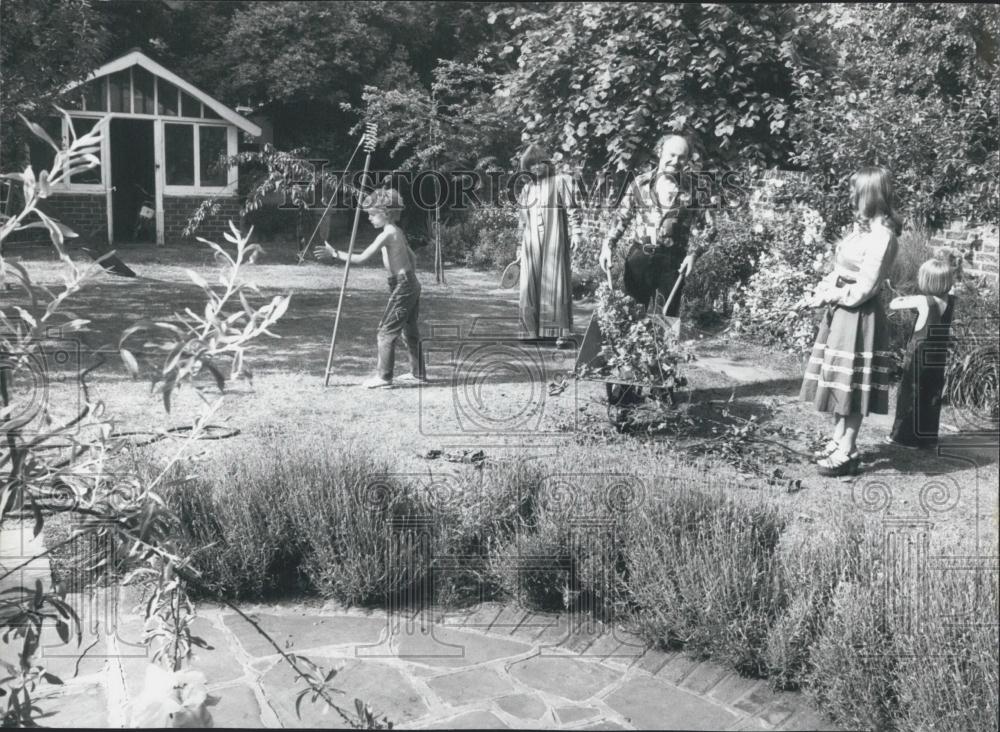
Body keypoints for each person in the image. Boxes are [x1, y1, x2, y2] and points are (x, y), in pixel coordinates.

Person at [597, 134, 715, 421]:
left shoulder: (695, 189)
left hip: (671, 266)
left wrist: (693, 255)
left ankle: (661, 387)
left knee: (665, 325)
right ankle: (626, 390)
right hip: (639, 259)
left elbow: (710, 228)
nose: (675, 162)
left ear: (688, 160)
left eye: (682, 157)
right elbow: (621, 219)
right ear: (660, 152)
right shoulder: (640, 184)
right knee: (630, 322)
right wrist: (607, 246)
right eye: (671, 155)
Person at [801, 166, 902, 477]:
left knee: (853, 384)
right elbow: (841, 269)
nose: (849, 196)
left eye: (854, 191)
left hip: (860, 317)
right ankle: (837, 440)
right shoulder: (863, 231)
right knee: (838, 379)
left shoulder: (882, 236)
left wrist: (830, 296)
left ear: (869, 194)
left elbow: (865, 288)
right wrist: (819, 291)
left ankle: (849, 449)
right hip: (841, 315)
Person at [315, 187, 425, 388]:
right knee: (409, 330)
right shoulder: (397, 231)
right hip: (409, 283)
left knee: (385, 330)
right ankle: (418, 373)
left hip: (403, 285)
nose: (370, 218)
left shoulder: (387, 234)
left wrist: (334, 254)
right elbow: (413, 257)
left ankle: (384, 378)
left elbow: (361, 258)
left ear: (386, 213)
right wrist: (410, 279)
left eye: (373, 214)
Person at [516, 143, 583, 347]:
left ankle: (555, 332)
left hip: (554, 240)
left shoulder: (560, 181)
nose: (536, 167)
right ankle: (530, 332)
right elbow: (522, 220)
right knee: (530, 285)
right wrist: (519, 247)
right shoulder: (527, 188)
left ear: (546, 163)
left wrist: (577, 232)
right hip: (531, 243)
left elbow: (573, 209)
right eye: (531, 165)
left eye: (539, 163)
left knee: (554, 283)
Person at [886, 256, 956, 448]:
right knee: (931, 395)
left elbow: (894, 304)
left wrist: (903, 296)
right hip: (938, 356)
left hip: (919, 353)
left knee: (910, 392)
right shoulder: (950, 301)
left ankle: (903, 437)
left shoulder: (923, 300)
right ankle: (927, 438)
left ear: (925, 280)